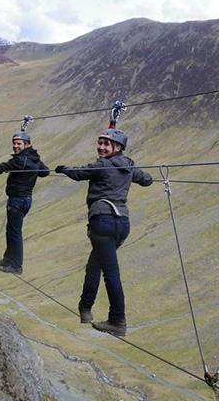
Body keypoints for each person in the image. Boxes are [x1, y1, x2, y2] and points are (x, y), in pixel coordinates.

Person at [55, 128, 153, 336]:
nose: (101, 147)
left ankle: (118, 321)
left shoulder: (103, 164)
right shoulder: (128, 166)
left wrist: (63, 169)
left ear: (117, 148)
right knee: (95, 265)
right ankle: (85, 309)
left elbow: (79, 173)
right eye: (99, 143)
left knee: (111, 273)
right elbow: (147, 180)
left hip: (102, 221)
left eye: (106, 144)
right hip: (122, 224)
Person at [0, 131, 50, 275]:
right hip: (25, 200)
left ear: (26, 145)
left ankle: (16, 265)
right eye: (14, 143)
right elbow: (45, 172)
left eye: (19, 144)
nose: (15, 146)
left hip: (17, 200)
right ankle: (8, 259)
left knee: (15, 233)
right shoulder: (34, 158)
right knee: (11, 230)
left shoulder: (19, 160)